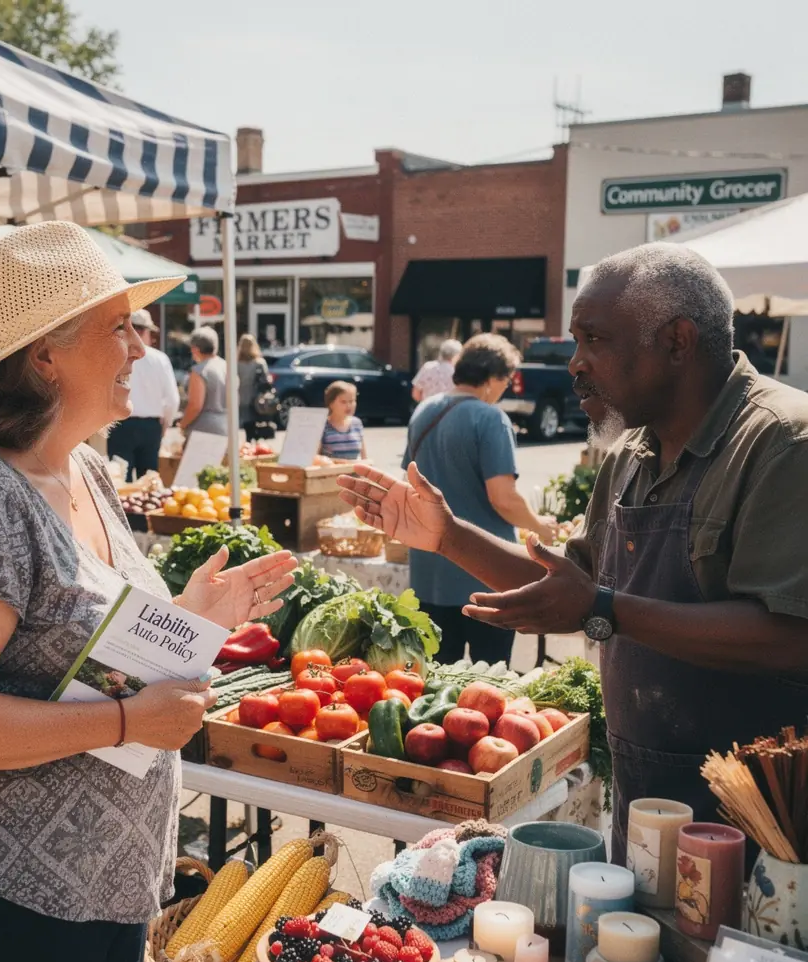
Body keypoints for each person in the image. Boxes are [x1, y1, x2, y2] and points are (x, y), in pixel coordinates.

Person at [0, 222, 297, 962]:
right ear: (44, 356)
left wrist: (193, 615)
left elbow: (83, 649)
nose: (144, 342)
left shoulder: (85, 467)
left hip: (97, 879)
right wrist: (129, 719)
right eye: (120, 325)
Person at [337, 243, 808, 866]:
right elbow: (570, 586)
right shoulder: (630, 454)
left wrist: (607, 609)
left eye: (595, 340)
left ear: (677, 340)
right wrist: (447, 535)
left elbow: (787, 635)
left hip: (762, 822)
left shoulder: (782, 441)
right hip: (645, 793)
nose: (575, 365)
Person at [403, 335, 556, 664]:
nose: (505, 388)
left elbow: (411, 481)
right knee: (490, 681)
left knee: (438, 685)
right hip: (487, 572)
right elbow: (504, 499)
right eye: (507, 380)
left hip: (430, 571)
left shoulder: (423, 411)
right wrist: (539, 526)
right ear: (493, 379)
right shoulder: (491, 418)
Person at [106, 308, 179, 480]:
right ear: (143, 331)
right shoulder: (160, 359)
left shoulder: (116, 356)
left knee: (120, 479)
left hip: (121, 425)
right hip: (150, 426)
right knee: (148, 482)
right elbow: (172, 400)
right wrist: (164, 425)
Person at [178, 326, 227, 436]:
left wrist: (183, 424)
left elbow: (195, 405)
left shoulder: (199, 371)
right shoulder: (226, 367)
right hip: (226, 425)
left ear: (195, 348)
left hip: (203, 429)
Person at [320, 381, 367, 460]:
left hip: (355, 471)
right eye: (343, 402)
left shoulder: (357, 423)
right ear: (331, 403)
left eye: (352, 401)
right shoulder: (322, 425)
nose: (349, 406)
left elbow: (364, 458)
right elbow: (315, 458)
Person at [236, 333, 270, 438]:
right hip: (257, 399)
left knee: (247, 425)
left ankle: (249, 441)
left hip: (241, 398)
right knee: (257, 423)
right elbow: (266, 381)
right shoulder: (259, 363)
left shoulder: (236, 364)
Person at [412, 337, 462, 404]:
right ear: (457, 356)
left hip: (428, 410)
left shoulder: (428, 367)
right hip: (450, 411)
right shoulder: (458, 371)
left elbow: (415, 394)